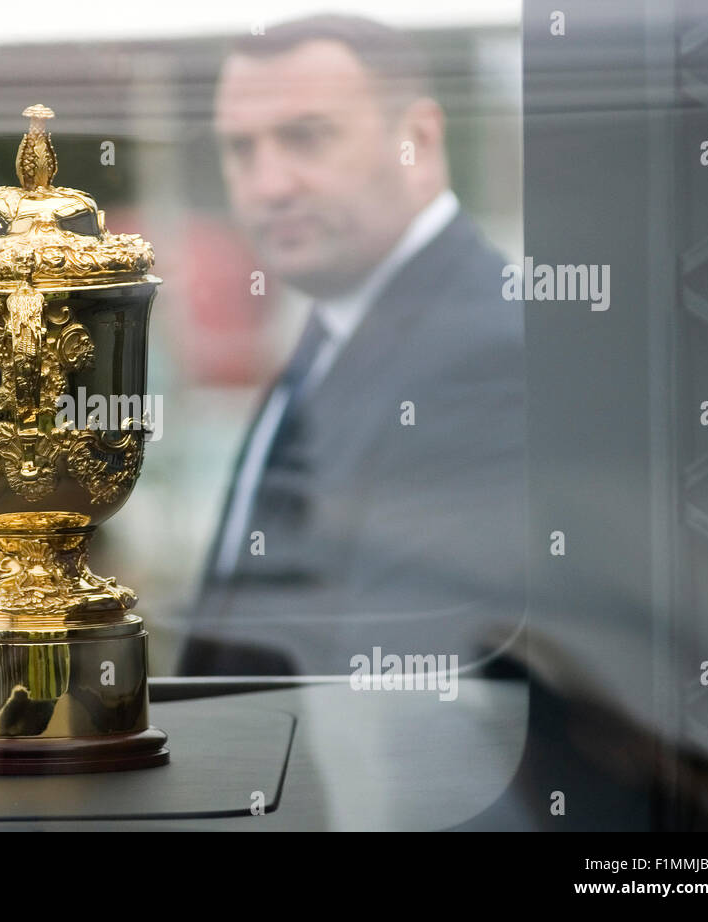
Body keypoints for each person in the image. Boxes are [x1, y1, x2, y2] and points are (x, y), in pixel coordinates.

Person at [177, 14, 526, 676]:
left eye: (306, 138)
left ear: (417, 142)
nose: (268, 184)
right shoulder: (335, 325)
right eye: (240, 149)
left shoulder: (482, 354)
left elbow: (407, 698)